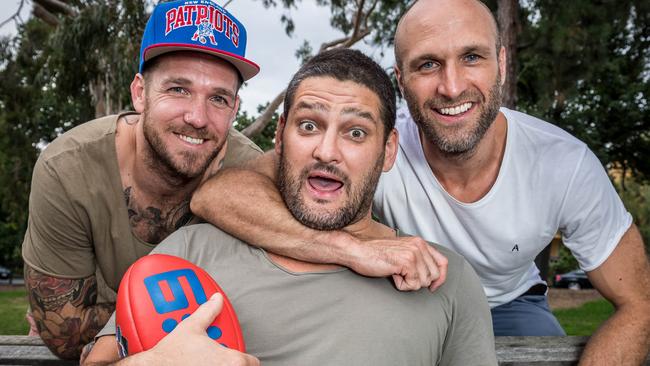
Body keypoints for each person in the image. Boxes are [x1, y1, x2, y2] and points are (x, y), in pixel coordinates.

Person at [191, 0, 650, 364]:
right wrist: (355, 250)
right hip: (402, 289)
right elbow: (218, 194)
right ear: (402, 82)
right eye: (428, 65)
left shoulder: (563, 165)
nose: (451, 87)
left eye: (472, 57)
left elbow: (640, 302)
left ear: (502, 63)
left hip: (513, 304)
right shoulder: (371, 150)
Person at [84, 48, 497, 366]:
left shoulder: (442, 278)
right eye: (309, 125)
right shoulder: (191, 252)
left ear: (388, 150)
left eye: (355, 132)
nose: (326, 151)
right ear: (280, 136)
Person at [21, 0, 262, 360]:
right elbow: (64, 335)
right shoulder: (67, 169)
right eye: (178, 89)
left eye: (218, 98)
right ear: (139, 93)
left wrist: (109, 313)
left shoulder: (251, 172)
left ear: (235, 110)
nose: (198, 117)